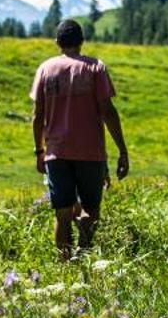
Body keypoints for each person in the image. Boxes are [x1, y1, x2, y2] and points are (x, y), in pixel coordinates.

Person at [30, 19, 129, 259]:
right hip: (90, 153)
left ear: (57, 42)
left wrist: (39, 151)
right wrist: (122, 151)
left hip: (56, 153)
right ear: (82, 41)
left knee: (62, 215)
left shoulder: (45, 69)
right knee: (91, 211)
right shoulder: (96, 68)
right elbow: (108, 111)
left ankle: (65, 266)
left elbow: (37, 116)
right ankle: (84, 256)